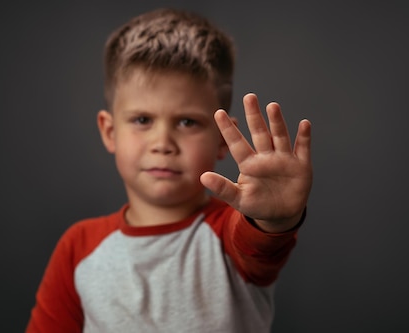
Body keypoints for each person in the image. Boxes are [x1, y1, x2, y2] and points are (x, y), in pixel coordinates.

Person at [26, 7, 312, 333]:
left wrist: (276, 218)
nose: (163, 143)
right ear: (109, 131)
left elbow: (261, 241)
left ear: (222, 138)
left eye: (187, 122)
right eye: (142, 120)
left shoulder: (229, 234)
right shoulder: (77, 249)